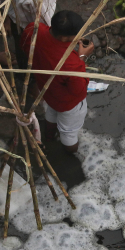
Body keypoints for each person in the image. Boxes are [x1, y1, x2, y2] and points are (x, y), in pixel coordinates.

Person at [20, 10, 94, 153]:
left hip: (47, 91)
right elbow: (79, 90)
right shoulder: (70, 63)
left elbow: (25, 47)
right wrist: (83, 56)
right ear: (64, 37)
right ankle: (70, 152)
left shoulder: (33, 29)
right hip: (68, 103)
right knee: (69, 132)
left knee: (51, 112)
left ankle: (49, 136)